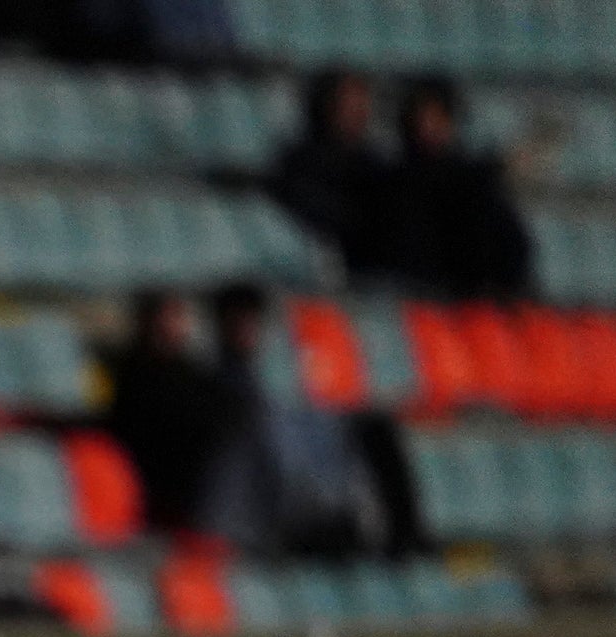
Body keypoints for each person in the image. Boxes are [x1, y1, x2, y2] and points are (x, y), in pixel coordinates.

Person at [196, 282, 384, 555]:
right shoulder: (212, 390)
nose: (244, 330)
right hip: (248, 524)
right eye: (235, 320)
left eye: (251, 319)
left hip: (307, 520)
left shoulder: (292, 388)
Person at [380, 75, 534, 300]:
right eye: (423, 117)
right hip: (423, 296)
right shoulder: (396, 181)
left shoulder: (474, 182)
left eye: (439, 116)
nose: (430, 126)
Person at [104, 289, 227, 533]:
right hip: (143, 487)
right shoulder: (130, 373)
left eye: (177, 316)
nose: (170, 324)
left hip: (191, 497)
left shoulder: (196, 377)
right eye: (165, 316)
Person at [268, 70, 391, 280]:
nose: (359, 113)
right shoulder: (301, 160)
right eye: (350, 105)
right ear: (328, 106)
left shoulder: (376, 163)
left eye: (363, 105)